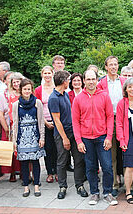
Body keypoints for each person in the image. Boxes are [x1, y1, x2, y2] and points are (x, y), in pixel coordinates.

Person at [72, 69, 117, 206]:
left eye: (93, 79)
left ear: (97, 80)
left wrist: (109, 137)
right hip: (86, 139)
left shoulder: (104, 96)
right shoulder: (78, 98)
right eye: (88, 79)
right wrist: (78, 141)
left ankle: (108, 192)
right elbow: (75, 121)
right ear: (84, 81)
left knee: (107, 166)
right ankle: (94, 193)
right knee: (91, 167)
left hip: (102, 137)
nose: (91, 82)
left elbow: (110, 117)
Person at [48, 70, 87, 199]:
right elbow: (57, 121)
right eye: (68, 80)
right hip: (61, 134)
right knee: (62, 161)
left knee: (79, 159)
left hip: (73, 131)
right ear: (64, 81)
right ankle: (62, 186)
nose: (69, 82)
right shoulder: (53, 98)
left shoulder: (64, 94)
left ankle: (79, 185)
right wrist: (65, 138)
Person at [97, 56, 126, 197]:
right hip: (108, 120)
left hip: (124, 120)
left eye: (116, 64)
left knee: (126, 153)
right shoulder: (101, 83)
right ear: (106, 67)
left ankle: (129, 183)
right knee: (111, 155)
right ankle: (114, 184)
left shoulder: (124, 81)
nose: (114, 67)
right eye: (111, 65)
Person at [12, 78, 46, 197]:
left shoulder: (38, 103)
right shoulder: (16, 105)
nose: (27, 91)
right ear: (21, 90)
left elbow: (41, 121)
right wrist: (14, 140)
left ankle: (36, 185)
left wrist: (42, 137)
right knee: (24, 163)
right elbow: (15, 123)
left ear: (32, 90)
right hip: (22, 137)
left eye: (29, 89)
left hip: (34, 136)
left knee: (36, 161)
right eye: (24, 89)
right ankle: (26, 186)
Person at [0, 72, 24, 182]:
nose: (16, 84)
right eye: (14, 82)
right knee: (11, 151)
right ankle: (12, 173)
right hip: (10, 125)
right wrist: (5, 127)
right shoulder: (6, 94)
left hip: (23, 125)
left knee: (23, 150)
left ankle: (24, 172)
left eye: (18, 81)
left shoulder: (25, 93)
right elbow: (0, 111)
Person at [34, 66, 57, 183]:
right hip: (44, 122)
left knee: (57, 148)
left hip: (57, 122)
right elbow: (37, 108)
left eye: (49, 73)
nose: (47, 75)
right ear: (42, 75)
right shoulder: (38, 90)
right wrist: (45, 122)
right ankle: (49, 172)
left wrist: (56, 121)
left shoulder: (56, 88)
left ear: (53, 74)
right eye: (45, 73)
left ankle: (57, 171)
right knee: (48, 148)